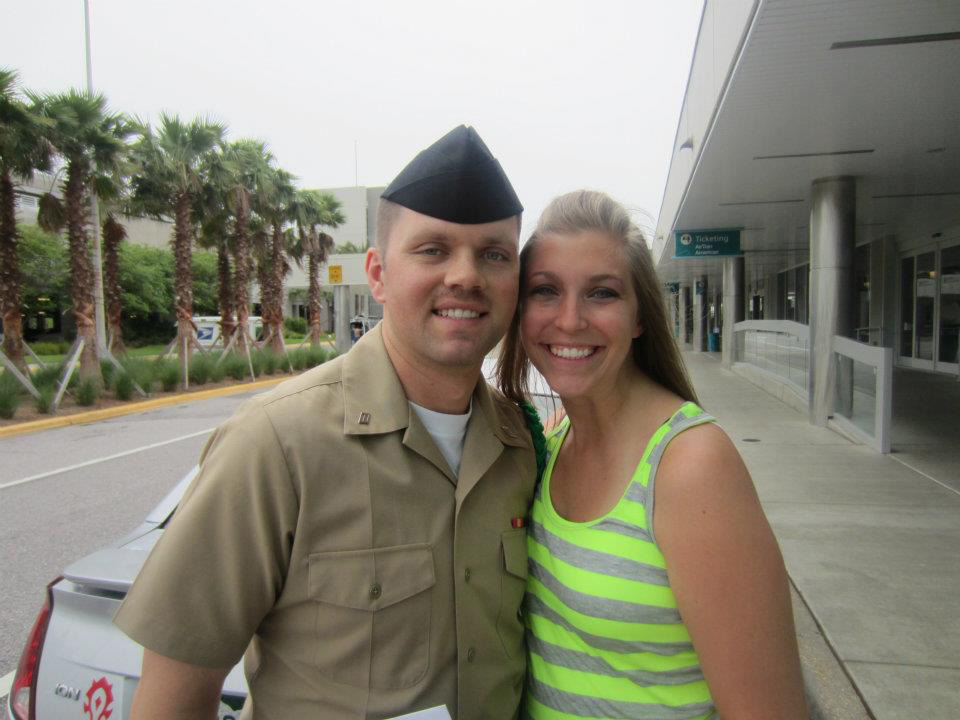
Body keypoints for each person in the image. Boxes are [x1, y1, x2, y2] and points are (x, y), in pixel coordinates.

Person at [115, 125, 538, 720]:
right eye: (432, 250)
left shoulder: (518, 445)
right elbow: (173, 699)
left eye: (494, 254)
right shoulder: (276, 443)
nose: (466, 276)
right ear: (378, 274)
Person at [497, 190, 808, 719]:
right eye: (545, 290)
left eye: (602, 293)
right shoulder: (554, 438)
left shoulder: (691, 466)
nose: (570, 320)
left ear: (640, 316)